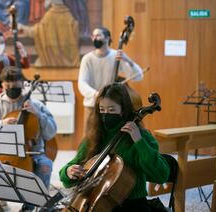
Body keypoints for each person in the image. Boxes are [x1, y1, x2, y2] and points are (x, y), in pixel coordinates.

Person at [59, 83, 170, 211]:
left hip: (133, 205)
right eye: (102, 110)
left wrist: (138, 141)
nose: (106, 114)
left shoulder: (142, 137)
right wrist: (69, 171)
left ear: (123, 110)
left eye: (111, 110)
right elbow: (66, 176)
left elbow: (161, 175)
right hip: (95, 202)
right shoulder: (94, 137)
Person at [0, 66, 57, 211]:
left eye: (15, 85)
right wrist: (0, 123)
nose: (11, 88)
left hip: (31, 153)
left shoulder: (35, 105)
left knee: (46, 165)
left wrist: (37, 113)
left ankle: (29, 207)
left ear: (22, 84)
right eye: (7, 85)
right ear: (2, 85)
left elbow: (51, 132)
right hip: (0, 153)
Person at [78, 27, 143, 133]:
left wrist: (128, 60)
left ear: (107, 38)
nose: (95, 38)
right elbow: (82, 83)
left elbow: (138, 76)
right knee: (90, 138)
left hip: (113, 108)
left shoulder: (116, 56)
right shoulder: (87, 58)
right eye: (93, 36)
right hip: (92, 106)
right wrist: (97, 94)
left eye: (98, 35)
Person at [22, 0, 79, 67]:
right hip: (68, 57)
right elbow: (75, 30)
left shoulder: (49, 15)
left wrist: (25, 29)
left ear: (52, 2)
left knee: (38, 65)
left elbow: (38, 30)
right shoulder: (68, 15)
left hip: (52, 56)